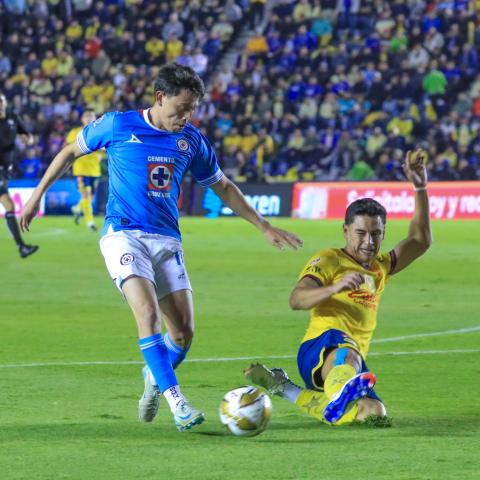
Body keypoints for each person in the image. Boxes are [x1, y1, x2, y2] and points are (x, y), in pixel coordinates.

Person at [20, 63, 302, 432]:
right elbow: (70, 152)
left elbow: (223, 186)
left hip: (167, 239)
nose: (185, 117)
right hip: (123, 234)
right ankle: (177, 401)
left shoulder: (192, 141)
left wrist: (262, 225)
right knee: (147, 314)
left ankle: (154, 376)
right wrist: (35, 196)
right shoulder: (119, 125)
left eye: (192, 110)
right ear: (159, 98)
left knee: (183, 334)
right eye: (179, 109)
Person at [245, 149, 432, 425]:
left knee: (372, 413)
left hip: (350, 361)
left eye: (376, 234)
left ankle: (287, 388)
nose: (369, 241)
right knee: (347, 348)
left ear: (383, 234)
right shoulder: (330, 259)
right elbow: (297, 299)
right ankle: (339, 390)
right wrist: (333, 288)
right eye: (361, 233)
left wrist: (420, 187)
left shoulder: (381, 266)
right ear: (345, 231)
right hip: (321, 346)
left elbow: (420, 240)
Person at [0, 94, 38, 258]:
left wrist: (28, 140)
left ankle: (22, 247)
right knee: (9, 205)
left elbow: (25, 135)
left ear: (5, 103)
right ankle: (21, 247)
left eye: (1, 101)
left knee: (9, 207)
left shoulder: (12, 117)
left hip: (5, 169)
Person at [65, 109, 104, 231]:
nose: (88, 118)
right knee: (86, 194)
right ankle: (90, 222)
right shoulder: (75, 132)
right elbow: (70, 148)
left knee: (90, 198)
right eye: (86, 116)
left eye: (91, 116)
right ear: (82, 119)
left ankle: (77, 208)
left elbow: (106, 150)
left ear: (95, 118)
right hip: (81, 169)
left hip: (95, 170)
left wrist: (101, 154)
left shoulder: (101, 133)